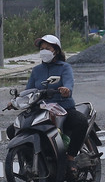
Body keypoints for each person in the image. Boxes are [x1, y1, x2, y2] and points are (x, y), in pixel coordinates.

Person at [24, 34, 90, 165]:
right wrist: (16, 101)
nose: (44, 51)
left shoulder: (64, 67)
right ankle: (31, 160)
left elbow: (69, 83)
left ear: (56, 51)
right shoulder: (36, 70)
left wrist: (66, 90)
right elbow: (28, 91)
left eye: (48, 48)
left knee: (81, 122)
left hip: (63, 109)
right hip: (42, 110)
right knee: (13, 129)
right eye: (42, 49)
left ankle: (70, 158)